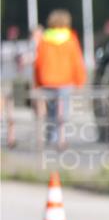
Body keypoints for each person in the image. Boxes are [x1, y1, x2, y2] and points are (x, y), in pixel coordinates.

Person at [34, 10, 86, 147]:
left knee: (51, 112)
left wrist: (38, 82)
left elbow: (38, 63)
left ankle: (51, 137)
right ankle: (60, 139)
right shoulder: (70, 39)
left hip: (47, 80)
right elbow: (77, 61)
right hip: (65, 81)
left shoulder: (44, 39)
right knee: (63, 111)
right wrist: (80, 81)